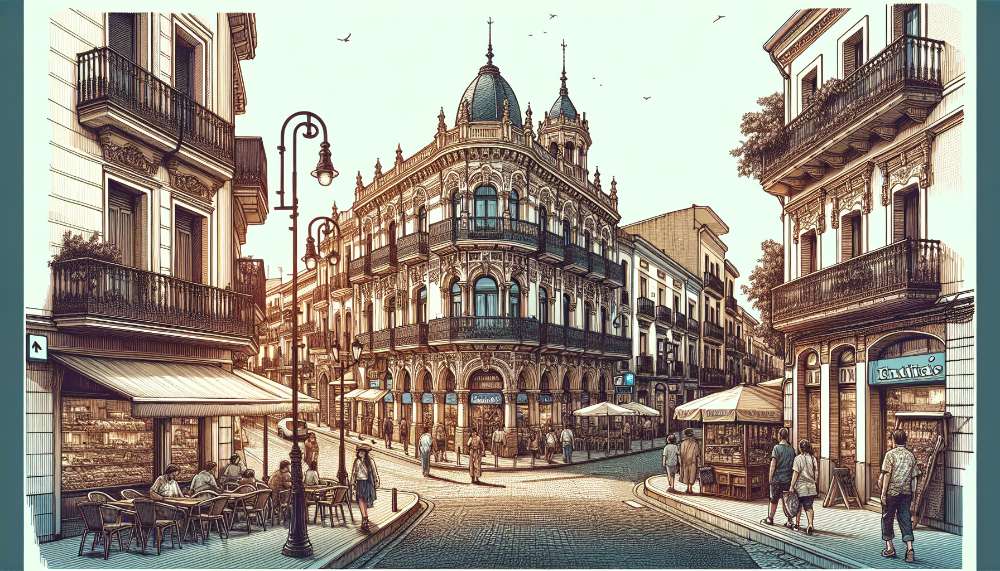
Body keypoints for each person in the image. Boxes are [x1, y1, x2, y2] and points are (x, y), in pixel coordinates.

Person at [880, 429, 919, 562]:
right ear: (905, 440)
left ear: (893, 440)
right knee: (905, 519)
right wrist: (913, 493)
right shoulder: (910, 456)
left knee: (887, 518)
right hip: (906, 493)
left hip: (891, 492)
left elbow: (887, 475)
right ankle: (909, 549)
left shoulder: (890, 455)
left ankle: (890, 548)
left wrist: (883, 493)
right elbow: (914, 478)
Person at [763, 427, 796, 528]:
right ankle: (789, 521)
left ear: (779, 436)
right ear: (787, 437)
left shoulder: (776, 448)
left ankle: (770, 518)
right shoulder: (791, 450)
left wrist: (770, 478)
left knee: (774, 499)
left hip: (777, 479)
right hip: (788, 479)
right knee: (787, 500)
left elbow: (773, 465)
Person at [789, 439, 819, 535]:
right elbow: (816, 472)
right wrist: (815, 481)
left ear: (800, 448)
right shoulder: (813, 458)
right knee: (809, 507)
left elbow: (795, 473)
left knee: (799, 506)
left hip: (801, 487)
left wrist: (791, 486)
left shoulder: (798, 459)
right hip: (811, 487)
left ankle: (797, 524)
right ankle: (810, 524)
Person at [351, 444, 380, 532]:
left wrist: (376, 481)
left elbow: (374, 472)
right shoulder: (357, 461)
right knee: (361, 499)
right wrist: (352, 483)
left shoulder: (370, 461)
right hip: (360, 483)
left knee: (366, 500)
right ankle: (365, 519)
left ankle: (365, 518)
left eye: (363, 451)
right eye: (360, 451)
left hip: (367, 482)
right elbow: (354, 473)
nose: (361, 453)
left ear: (366, 453)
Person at [678, 428, 702, 494]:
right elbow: (697, 453)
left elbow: (681, 453)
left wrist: (681, 461)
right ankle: (690, 488)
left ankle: (687, 488)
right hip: (693, 461)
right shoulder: (695, 444)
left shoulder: (683, 443)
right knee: (692, 474)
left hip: (685, 462)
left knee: (686, 474)